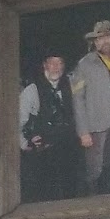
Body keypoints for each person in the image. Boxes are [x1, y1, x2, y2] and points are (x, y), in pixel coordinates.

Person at [71, 18, 110, 192]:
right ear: (94, 42)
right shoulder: (84, 64)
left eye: (108, 36)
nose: (105, 41)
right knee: (94, 169)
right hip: (95, 125)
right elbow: (78, 99)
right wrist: (83, 131)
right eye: (100, 38)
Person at [18, 52, 82, 201]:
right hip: (43, 151)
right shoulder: (32, 90)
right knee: (45, 193)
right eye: (52, 63)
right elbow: (19, 120)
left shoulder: (70, 86)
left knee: (70, 190)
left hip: (67, 147)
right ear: (45, 65)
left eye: (59, 63)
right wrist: (24, 143)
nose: (56, 67)